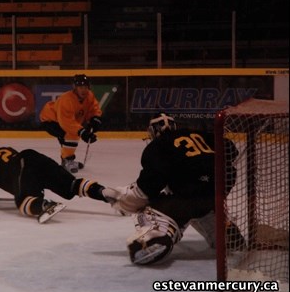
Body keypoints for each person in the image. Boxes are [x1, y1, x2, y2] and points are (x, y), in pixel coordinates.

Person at [103, 113, 244, 265]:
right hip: (221, 184)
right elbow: (231, 149)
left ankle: (158, 235)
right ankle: (223, 231)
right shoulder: (196, 134)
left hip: (190, 192)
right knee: (200, 202)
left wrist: (130, 200)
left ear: (152, 130)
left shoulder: (158, 146)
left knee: (148, 209)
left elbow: (147, 189)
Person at [0, 137, 110, 223]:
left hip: (25, 167)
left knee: (24, 202)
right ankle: (105, 193)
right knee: (71, 185)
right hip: (34, 157)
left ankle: (45, 205)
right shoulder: (4, 149)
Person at [39, 74, 102, 173]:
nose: (83, 90)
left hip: (62, 121)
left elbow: (93, 109)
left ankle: (68, 159)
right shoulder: (66, 100)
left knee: (69, 137)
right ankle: (67, 161)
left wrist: (95, 119)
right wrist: (82, 132)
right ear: (75, 88)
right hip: (50, 120)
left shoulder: (89, 96)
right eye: (81, 87)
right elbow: (67, 123)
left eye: (85, 87)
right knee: (69, 135)